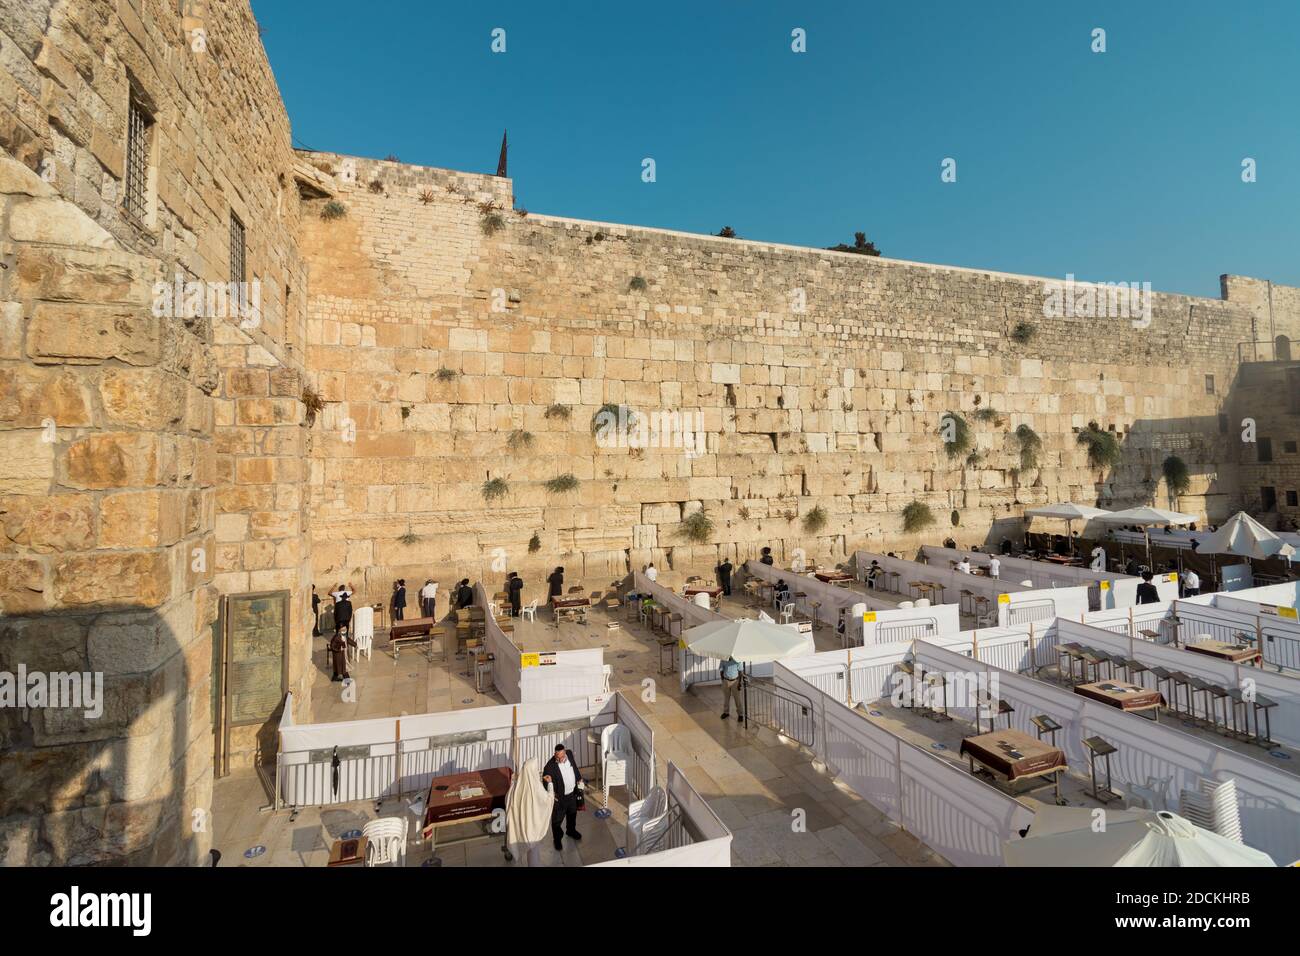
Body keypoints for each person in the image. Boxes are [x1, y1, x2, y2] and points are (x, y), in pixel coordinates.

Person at [541, 744, 584, 851]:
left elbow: (574, 767)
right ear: (555, 754)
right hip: (560, 798)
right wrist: (551, 791)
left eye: (561, 757)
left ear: (565, 753)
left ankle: (571, 831)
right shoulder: (549, 767)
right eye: (557, 757)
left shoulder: (569, 754)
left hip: (572, 794)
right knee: (556, 821)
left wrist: (579, 778)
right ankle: (557, 839)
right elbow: (545, 782)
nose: (559, 759)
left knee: (572, 814)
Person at [719, 656, 744, 720]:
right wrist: (723, 680)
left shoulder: (737, 660)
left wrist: (739, 683)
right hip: (726, 681)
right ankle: (726, 712)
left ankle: (740, 714)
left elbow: (740, 672)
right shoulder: (723, 660)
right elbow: (721, 670)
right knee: (726, 698)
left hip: (735, 681)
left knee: (737, 699)